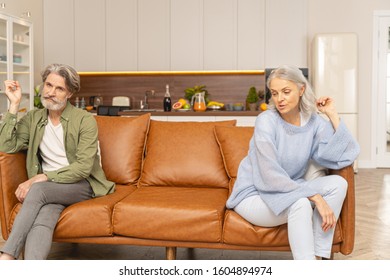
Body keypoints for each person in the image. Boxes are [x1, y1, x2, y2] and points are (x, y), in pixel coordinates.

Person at [226, 65, 360, 260]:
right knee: (301, 204)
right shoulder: (266, 121)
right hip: (254, 195)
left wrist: (332, 115)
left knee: (339, 184)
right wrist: (315, 196)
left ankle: (318, 256)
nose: (279, 99)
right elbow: (269, 176)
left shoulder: (313, 122)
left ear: (301, 89)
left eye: (286, 92)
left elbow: (347, 154)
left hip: (288, 190)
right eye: (274, 93)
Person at [0, 63, 115, 260]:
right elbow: (6, 146)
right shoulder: (33, 118)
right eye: (48, 85)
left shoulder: (84, 120)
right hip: (52, 188)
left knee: (38, 190)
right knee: (45, 217)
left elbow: (83, 168)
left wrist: (39, 178)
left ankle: (7, 256)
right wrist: (14, 105)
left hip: (81, 184)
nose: (51, 92)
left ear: (69, 93)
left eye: (59, 88)